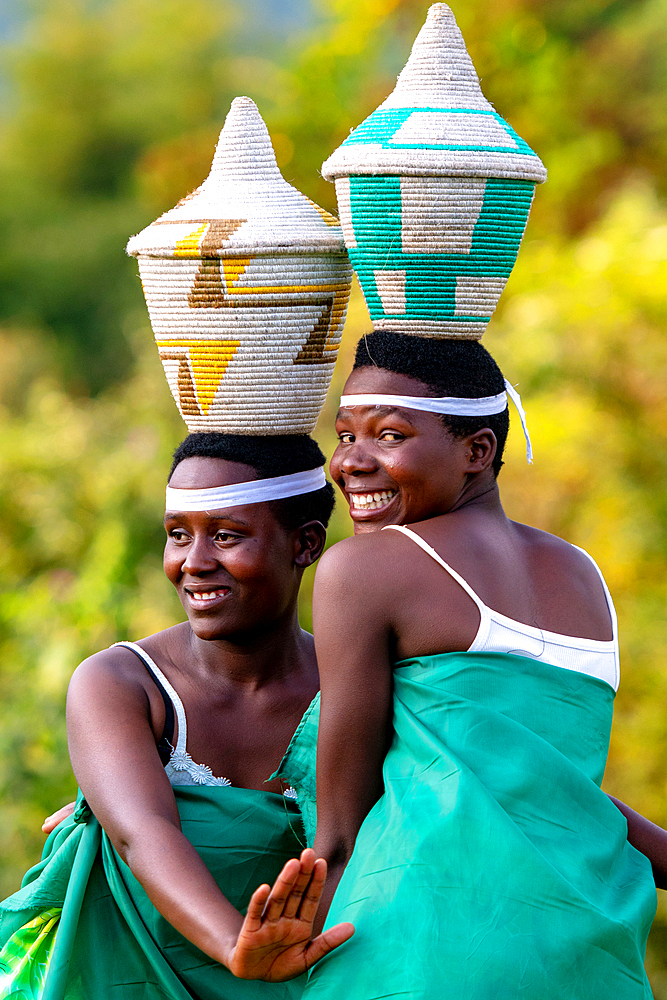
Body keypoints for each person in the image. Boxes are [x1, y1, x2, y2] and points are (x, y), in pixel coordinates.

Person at [275, 332, 659, 1000]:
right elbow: (543, 785)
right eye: (343, 436)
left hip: (416, 949)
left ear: (477, 451)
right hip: (585, 955)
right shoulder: (582, 573)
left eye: (388, 436)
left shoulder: (364, 568)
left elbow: (337, 832)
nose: (349, 464)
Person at [0, 432, 353, 1000]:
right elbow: (143, 833)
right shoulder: (122, 684)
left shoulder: (354, 687)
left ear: (306, 544)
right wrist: (236, 944)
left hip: (317, 981)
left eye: (228, 536)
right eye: (178, 535)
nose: (194, 562)